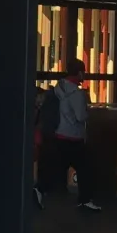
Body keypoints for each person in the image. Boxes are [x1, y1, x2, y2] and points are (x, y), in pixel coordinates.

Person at [35, 58, 101, 212]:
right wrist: (87, 112)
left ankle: (40, 189)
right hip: (74, 138)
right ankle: (85, 200)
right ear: (79, 73)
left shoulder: (59, 87)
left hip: (59, 135)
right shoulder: (77, 93)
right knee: (86, 167)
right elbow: (80, 116)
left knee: (58, 169)